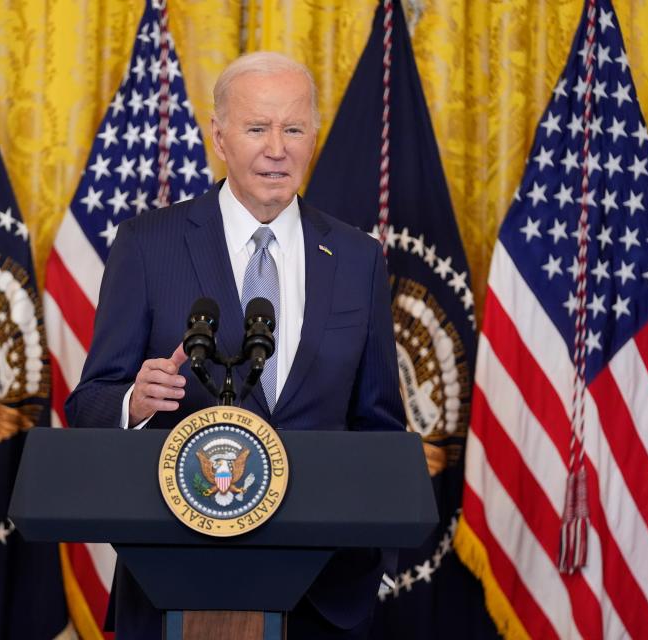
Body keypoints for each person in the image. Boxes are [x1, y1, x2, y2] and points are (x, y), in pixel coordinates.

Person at [65, 51, 405, 639]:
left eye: (293, 128)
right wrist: (135, 403)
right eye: (257, 128)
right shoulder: (148, 245)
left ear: (313, 137)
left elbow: (380, 426)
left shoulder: (357, 258)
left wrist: (378, 561)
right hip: (180, 580)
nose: (277, 148)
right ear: (219, 137)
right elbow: (88, 403)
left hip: (325, 593)